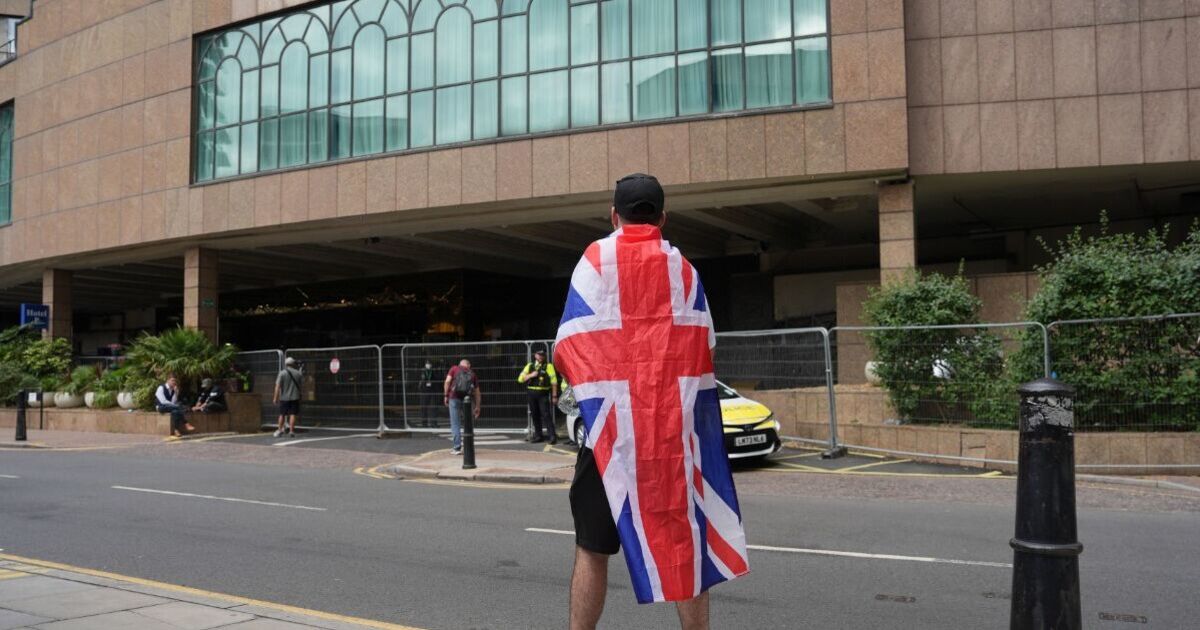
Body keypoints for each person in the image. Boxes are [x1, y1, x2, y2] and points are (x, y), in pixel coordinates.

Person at [555, 174, 749, 630]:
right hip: (671, 432)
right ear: (663, 216)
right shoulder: (683, 270)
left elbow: (568, 346)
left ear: (613, 214)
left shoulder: (595, 260)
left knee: (592, 546)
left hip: (609, 431)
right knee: (686, 538)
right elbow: (706, 347)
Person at [518, 349, 559, 443]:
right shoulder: (530, 366)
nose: (541, 356)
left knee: (546, 415)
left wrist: (554, 396)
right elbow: (520, 379)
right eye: (539, 355)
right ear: (535, 355)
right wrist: (530, 375)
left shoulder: (549, 366)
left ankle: (552, 436)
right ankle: (538, 436)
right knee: (535, 415)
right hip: (531, 393)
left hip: (543, 394)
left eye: (543, 355)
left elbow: (554, 382)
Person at [442, 359, 481, 456]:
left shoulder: (454, 368)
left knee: (455, 423)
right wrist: (477, 406)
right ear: (469, 365)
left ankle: (457, 447)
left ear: (460, 364)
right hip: (467, 400)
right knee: (468, 423)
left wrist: (446, 395)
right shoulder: (472, 374)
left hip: (454, 398)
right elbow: (477, 392)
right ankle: (468, 447)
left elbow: (447, 382)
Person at [273, 357, 302, 438]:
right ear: (293, 364)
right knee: (293, 414)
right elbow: (301, 385)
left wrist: (275, 398)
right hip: (295, 397)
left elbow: (277, 387)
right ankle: (291, 431)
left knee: (282, 414)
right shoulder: (298, 373)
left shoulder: (282, 373)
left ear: (286, 364)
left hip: (284, 398)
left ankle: (279, 430)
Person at [419, 361, 438, 428]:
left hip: (432, 390)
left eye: (430, 364)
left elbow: (436, 379)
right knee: (424, 408)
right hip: (424, 391)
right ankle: (424, 423)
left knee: (433, 407)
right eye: (427, 364)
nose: (429, 365)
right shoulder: (422, 371)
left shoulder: (433, 371)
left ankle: (433, 423)